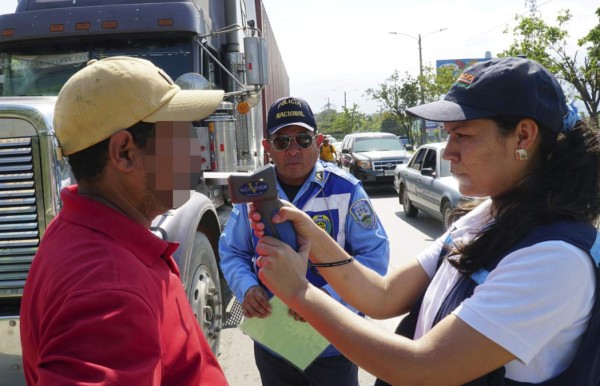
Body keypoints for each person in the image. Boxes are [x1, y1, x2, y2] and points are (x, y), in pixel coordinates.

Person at [250, 57, 600, 385]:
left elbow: (421, 368)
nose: (448, 151)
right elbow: (382, 296)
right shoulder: (490, 214)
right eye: (448, 134)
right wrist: (307, 232)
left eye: (462, 135)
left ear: (523, 136)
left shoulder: (554, 258)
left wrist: (299, 292)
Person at [19, 57, 229, 385]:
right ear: (124, 153)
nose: (196, 153)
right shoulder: (108, 292)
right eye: (181, 133)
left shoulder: (83, 236)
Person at [219, 96, 390, 386]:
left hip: (334, 340)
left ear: (318, 140)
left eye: (302, 139)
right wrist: (247, 289)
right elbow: (232, 251)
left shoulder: (346, 189)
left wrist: (323, 301)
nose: (294, 150)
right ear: (267, 148)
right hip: (274, 340)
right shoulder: (253, 190)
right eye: (282, 142)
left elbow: (374, 256)